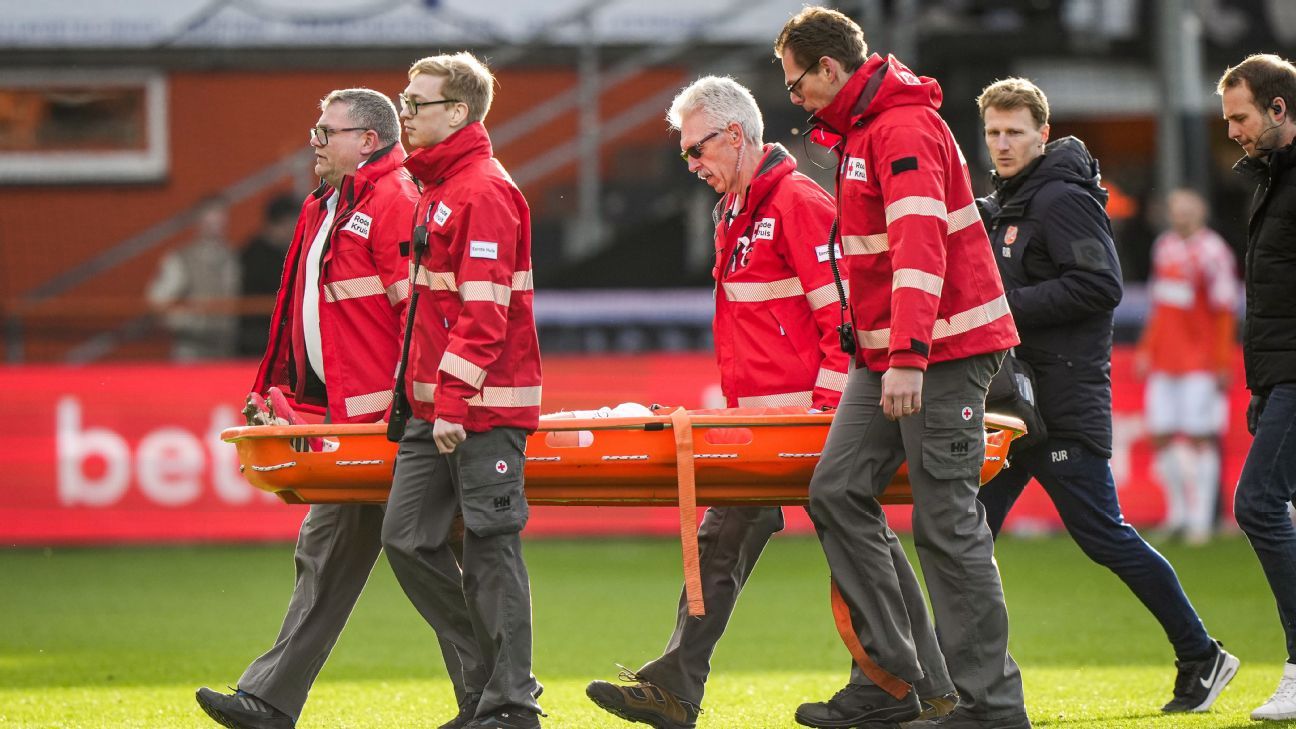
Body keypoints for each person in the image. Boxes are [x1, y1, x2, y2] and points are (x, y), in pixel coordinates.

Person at [583, 75, 957, 729]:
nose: (691, 165)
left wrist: (828, 415)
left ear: (734, 134)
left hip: (803, 422)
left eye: (696, 149)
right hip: (758, 424)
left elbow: (843, 319)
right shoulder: (736, 211)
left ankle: (926, 687)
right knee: (728, 539)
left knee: (854, 535)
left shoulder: (796, 202)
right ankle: (676, 686)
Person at [195, 88, 484, 729]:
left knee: (421, 552)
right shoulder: (325, 205)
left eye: (327, 132)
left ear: (368, 141)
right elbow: (299, 317)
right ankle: (270, 700)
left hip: (392, 426)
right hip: (351, 423)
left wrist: (417, 410)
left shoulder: (393, 199)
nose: (315, 142)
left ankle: (499, 695)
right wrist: (278, 390)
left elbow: (418, 315)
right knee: (332, 553)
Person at [775, 8, 1029, 728]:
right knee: (836, 491)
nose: (794, 96)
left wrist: (908, 356)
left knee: (947, 524)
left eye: (796, 82)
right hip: (891, 351)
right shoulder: (869, 130)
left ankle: (990, 707)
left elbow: (920, 251)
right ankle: (895, 684)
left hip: (938, 350)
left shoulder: (901, 128)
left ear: (829, 68)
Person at [974, 77, 1238, 714]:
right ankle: (959, 682)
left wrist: (1002, 306)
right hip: (1015, 402)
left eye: (1015, 132)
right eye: (993, 132)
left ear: (1043, 133)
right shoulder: (1008, 202)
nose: (1003, 144)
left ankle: (1202, 655)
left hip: (1061, 403)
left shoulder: (1062, 198)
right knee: (966, 535)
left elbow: (1101, 286)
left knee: (1103, 536)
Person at [380, 52, 544, 729]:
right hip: (435, 408)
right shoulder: (439, 186)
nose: (405, 112)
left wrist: (450, 402)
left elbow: (484, 313)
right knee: (405, 539)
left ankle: (510, 705)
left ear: (457, 112)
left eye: (416, 103)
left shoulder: (482, 190)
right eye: (404, 101)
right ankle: (492, 681)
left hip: (480, 410)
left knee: (490, 550)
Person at [1219, 52, 1296, 722]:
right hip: (1279, 375)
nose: (1232, 131)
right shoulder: (1273, 179)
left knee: (1259, 504)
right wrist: (1264, 387)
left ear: (1278, 108)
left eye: (1239, 117)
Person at [1135, 188, 1239, 544]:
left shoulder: (1213, 252)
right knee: (1160, 432)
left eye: (1187, 210)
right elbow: (1158, 305)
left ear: (1201, 212)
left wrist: (1222, 360)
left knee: (1199, 436)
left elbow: (1224, 310)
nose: (1181, 216)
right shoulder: (1164, 246)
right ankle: (1177, 513)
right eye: (1176, 210)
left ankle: (1201, 520)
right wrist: (1147, 349)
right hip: (1164, 360)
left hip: (1200, 362)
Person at [147, 195, 240, 360]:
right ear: (199, 221)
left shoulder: (231, 257)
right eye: (210, 219)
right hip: (191, 350)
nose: (215, 224)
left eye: (220, 218)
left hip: (224, 348)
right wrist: (191, 320)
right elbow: (156, 301)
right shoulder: (181, 259)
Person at [237, 192, 299, 357]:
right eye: (293, 222)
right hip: (256, 338)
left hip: (282, 336)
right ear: (281, 223)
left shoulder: (288, 252)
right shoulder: (254, 253)